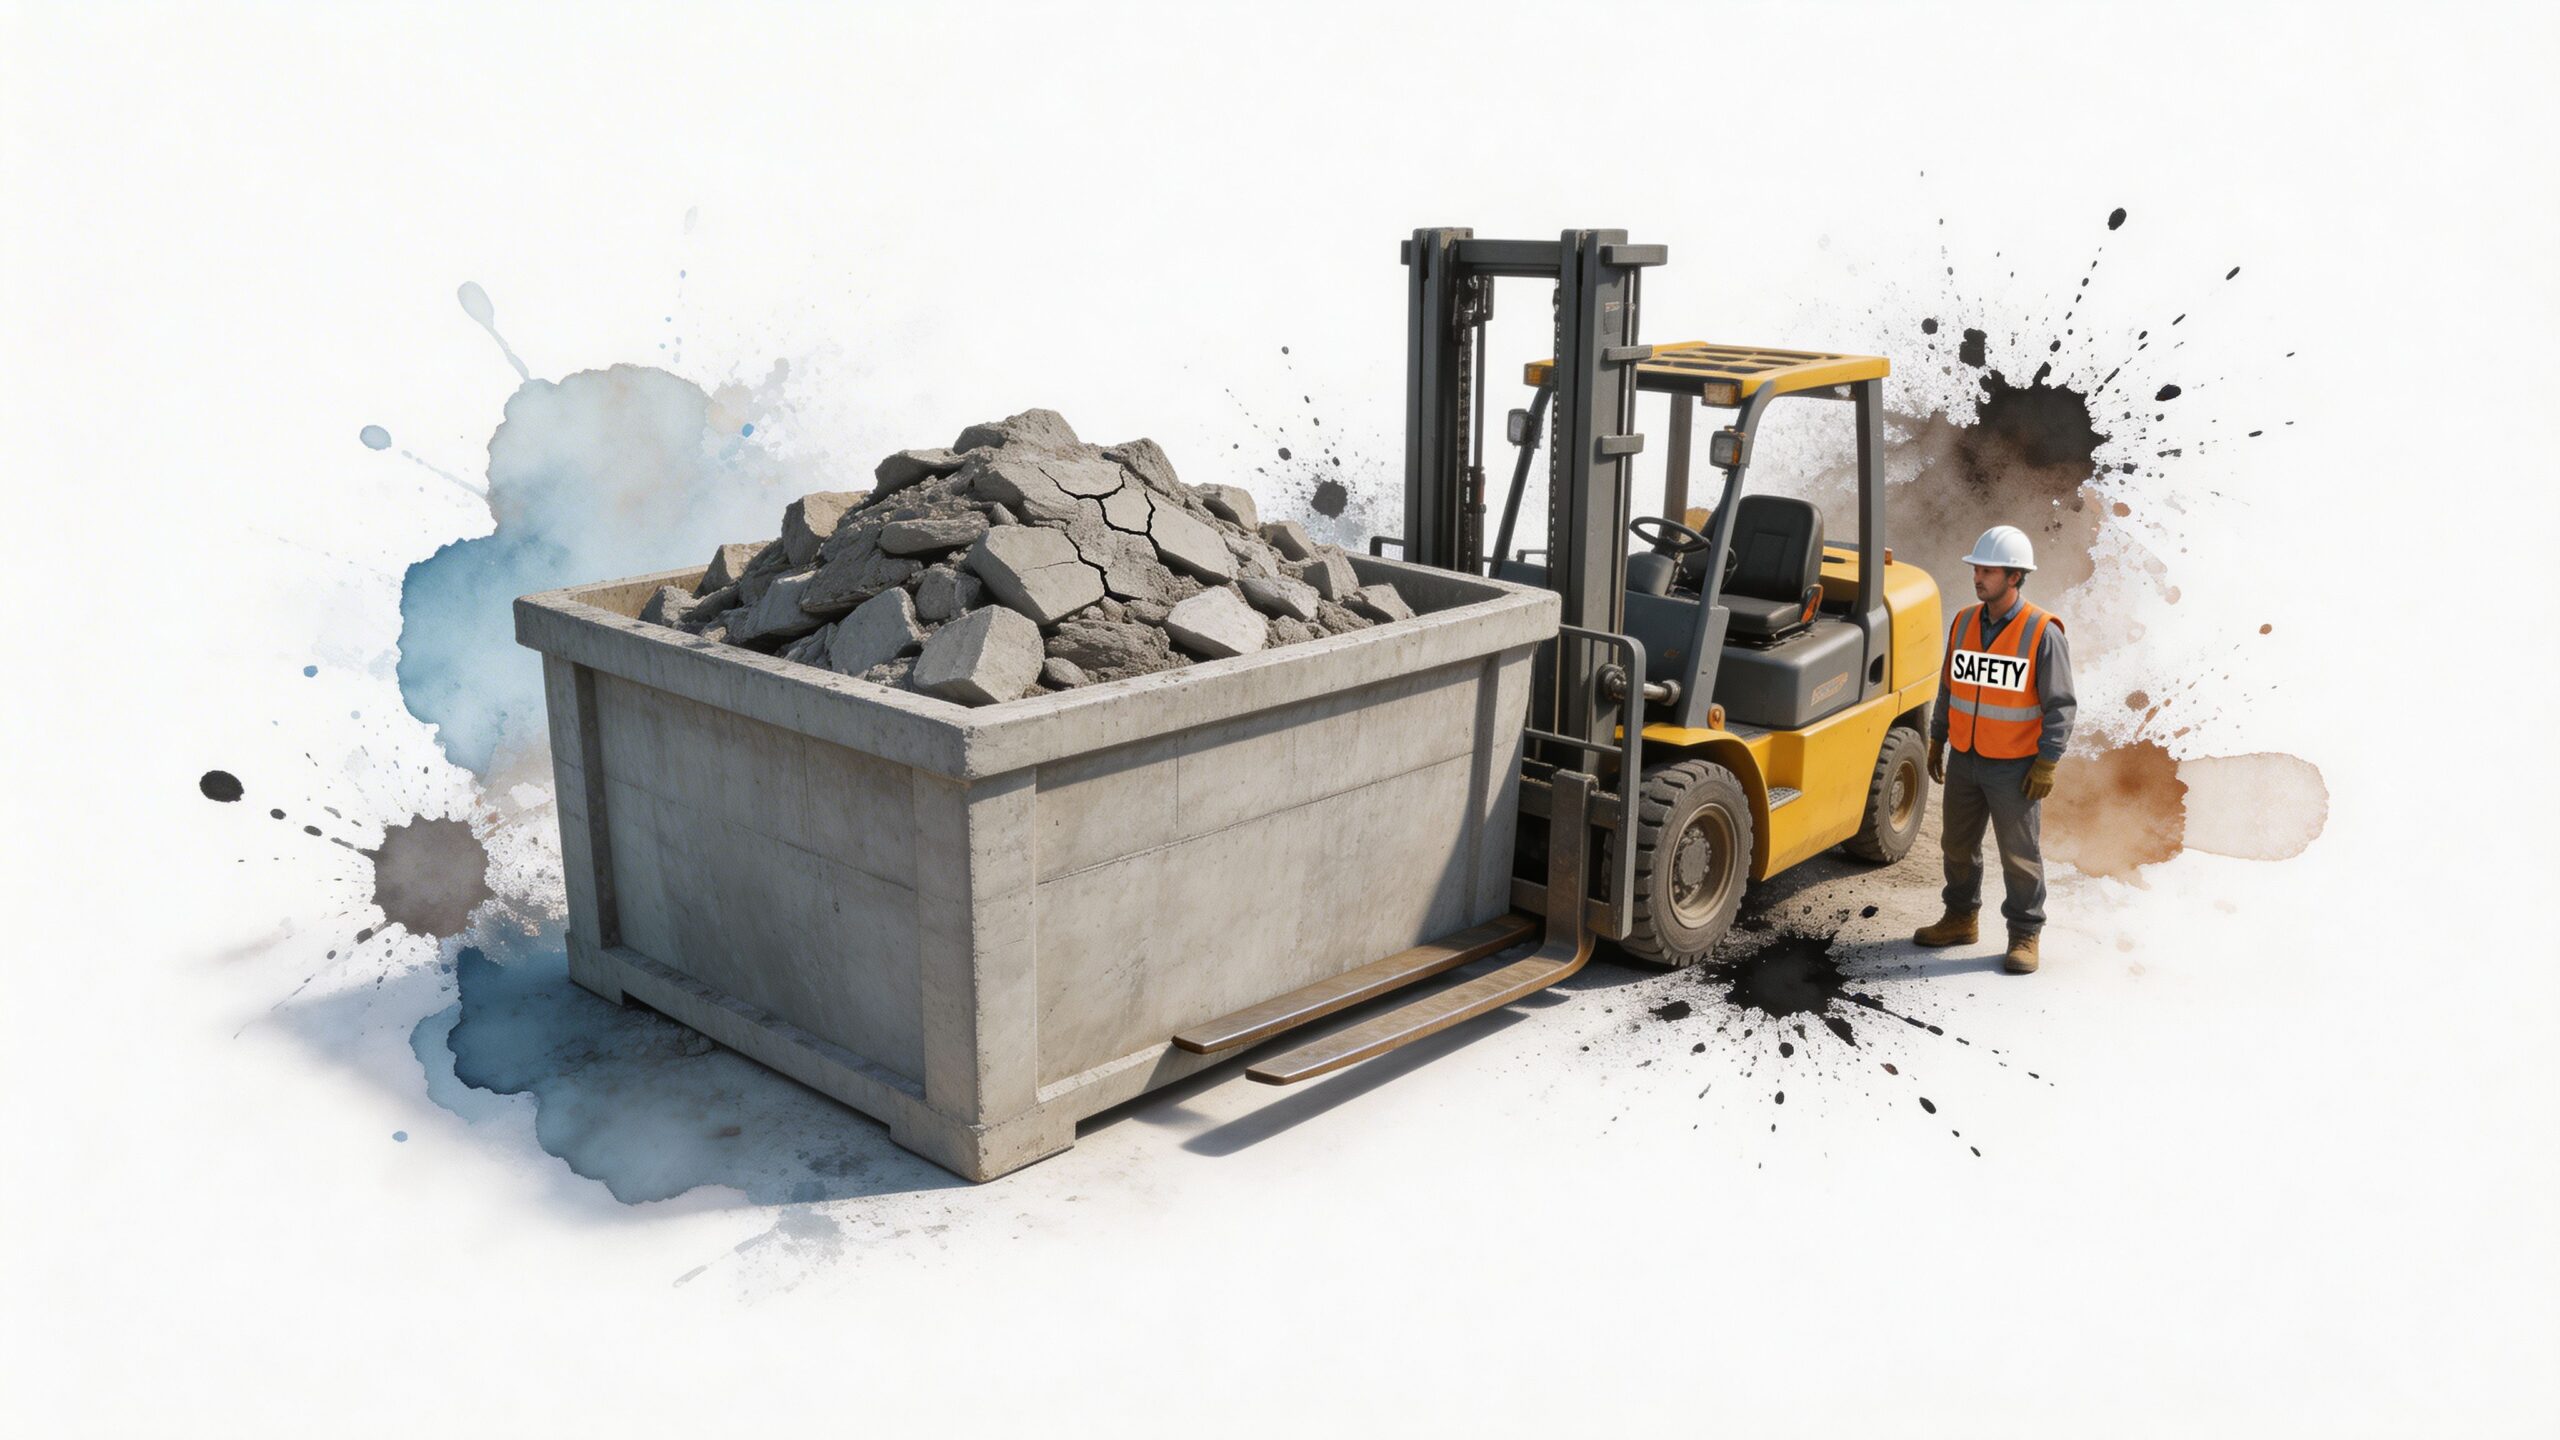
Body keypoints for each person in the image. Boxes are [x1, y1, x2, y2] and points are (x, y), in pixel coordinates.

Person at [1912, 525, 2075, 974]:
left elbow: (2061, 705)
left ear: (2014, 576)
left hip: (2015, 767)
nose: (1977, 578)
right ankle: (1960, 918)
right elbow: (1950, 685)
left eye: (1987, 571)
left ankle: (2025, 932)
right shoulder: (1964, 621)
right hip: (1965, 758)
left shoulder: (2042, 632)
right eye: (1976, 569)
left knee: (2019, 856)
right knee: (1956, 846)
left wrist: (2047, 762)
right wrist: (1937, 737)